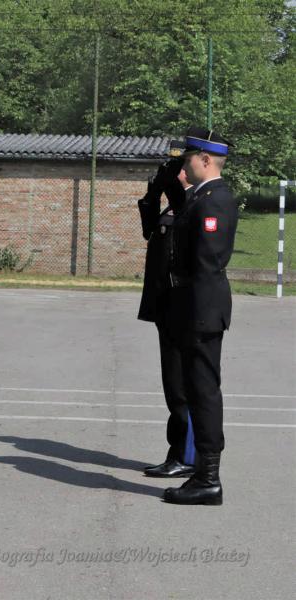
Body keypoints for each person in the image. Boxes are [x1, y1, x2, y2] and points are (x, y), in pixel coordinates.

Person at [162, 127, 238, 506]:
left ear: (205, 159)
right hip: (193, 310)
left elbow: (207, 264)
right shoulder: (201, 196)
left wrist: (191, 315)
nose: (184, 165)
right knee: (195, 390)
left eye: (189, 158)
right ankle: (202, 474)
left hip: (202, 312)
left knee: (204, 393)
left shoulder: (215, 201)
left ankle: (209, 478)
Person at [137, 141, 199, 479]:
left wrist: (173, 189)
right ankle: (177, 452)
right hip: (165, 307)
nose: (177, 172)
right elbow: (149, 228)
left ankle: (187, 457)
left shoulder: (194, 204)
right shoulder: (171, 208)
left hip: (182, 308)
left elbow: (188, 223)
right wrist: (153, 193)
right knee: (172, 385)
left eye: (181, 167)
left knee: (181, 386)